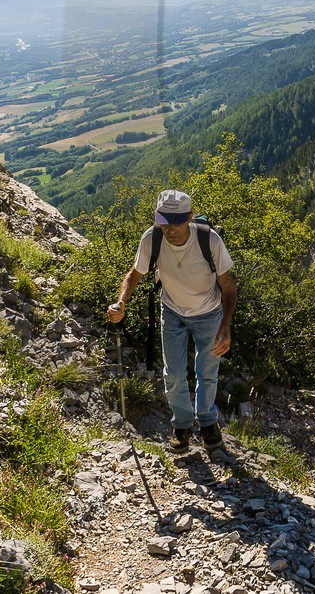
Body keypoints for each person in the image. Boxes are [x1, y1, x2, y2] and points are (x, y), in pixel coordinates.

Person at [108, 189, 237, 453]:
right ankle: (181, 426)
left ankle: (208, 424)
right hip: (173, 312)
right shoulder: (152, 238)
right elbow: (135, 274)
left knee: (207, 372)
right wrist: (121, 302)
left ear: (190, 217)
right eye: (164, 221)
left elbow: (228, 286)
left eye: (176, 221)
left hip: (209, 313)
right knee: (174, 373)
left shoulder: (209, 240)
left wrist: (226, 326)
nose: (170, 228)